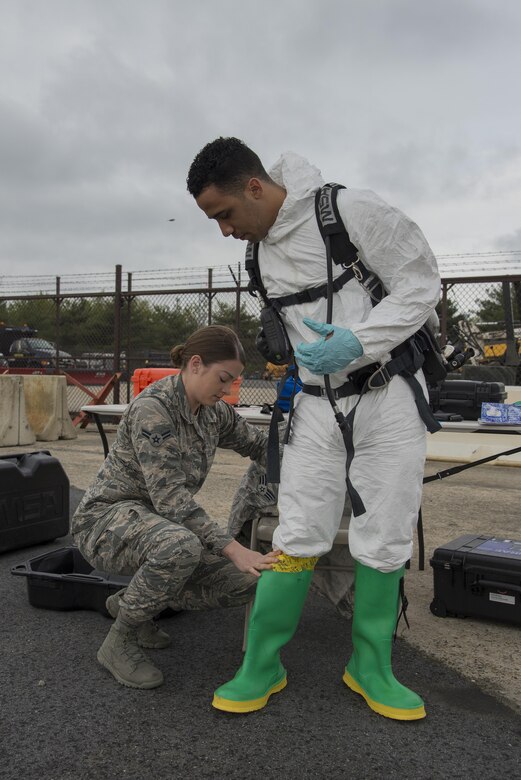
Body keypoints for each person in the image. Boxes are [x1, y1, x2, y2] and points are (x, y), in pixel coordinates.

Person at [187, 138, 441, 720]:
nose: (224, 231)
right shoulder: (258, 254)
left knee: (386, 529)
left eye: (224, 214)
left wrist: (362, 340)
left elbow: (422, 281)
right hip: (315, 408)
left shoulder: (351, 212)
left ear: (255, 187)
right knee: (297, 531)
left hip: (391, 400)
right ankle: (263, 662)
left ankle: (370, 665)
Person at [71, 324, 279, 690]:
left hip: (163, 527)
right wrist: (232, 548)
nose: (229, 389)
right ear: (195, 364)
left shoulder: (213, 412)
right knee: (181, 547)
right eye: (223, 378)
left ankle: (132, 602)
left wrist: (309, 473)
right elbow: (171, 500)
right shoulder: (154, 410)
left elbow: (261, 447)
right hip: (106, 522)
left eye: (233, 382)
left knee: (250, 580)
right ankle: (120, 641)